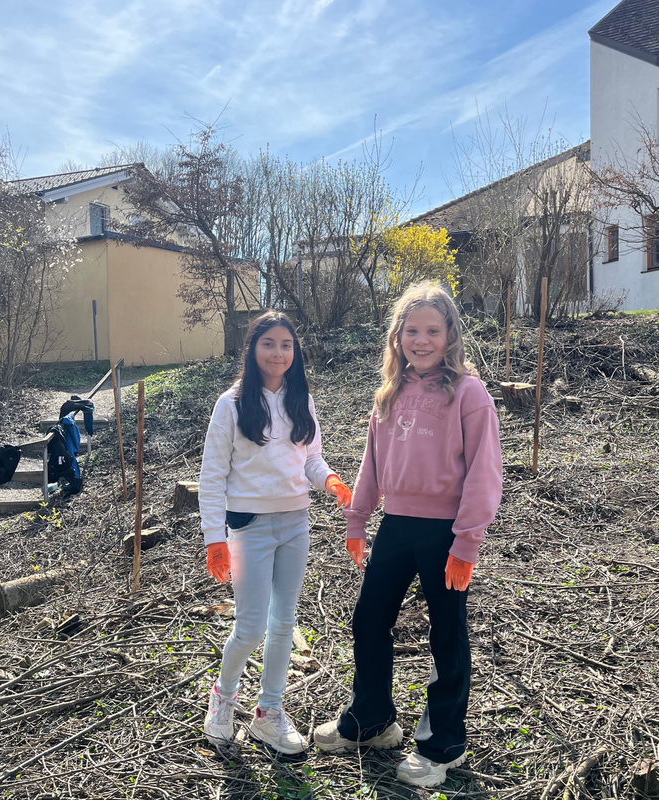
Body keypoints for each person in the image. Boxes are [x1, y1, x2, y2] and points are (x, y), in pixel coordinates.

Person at [313, 281, 502, 788]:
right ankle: (372, 720)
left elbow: (485, 472)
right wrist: (357, 518)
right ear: (398, 336)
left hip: (445, 532)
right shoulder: (390, 393)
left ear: (449, 335)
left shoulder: (468, 392)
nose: (421, 340)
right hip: (396, 526)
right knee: (369, 618)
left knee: (446, 632)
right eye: (411, 330)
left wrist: (468, 541)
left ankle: (444, 743)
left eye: (432, 331)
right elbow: (372, 466)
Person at [199, 311, 352, 755]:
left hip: (295, 522)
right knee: (249, 626)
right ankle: (222, 699)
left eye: (287, 345)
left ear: (295, 351)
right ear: (253, 348)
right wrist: (214, 539)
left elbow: (310, 458)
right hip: (248, 527)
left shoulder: (300, 400)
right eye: (269, 344)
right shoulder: (230, 405)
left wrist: (330, 480)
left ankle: (269, 712)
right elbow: (212, 477)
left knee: (283, 622)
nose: (278, 353)